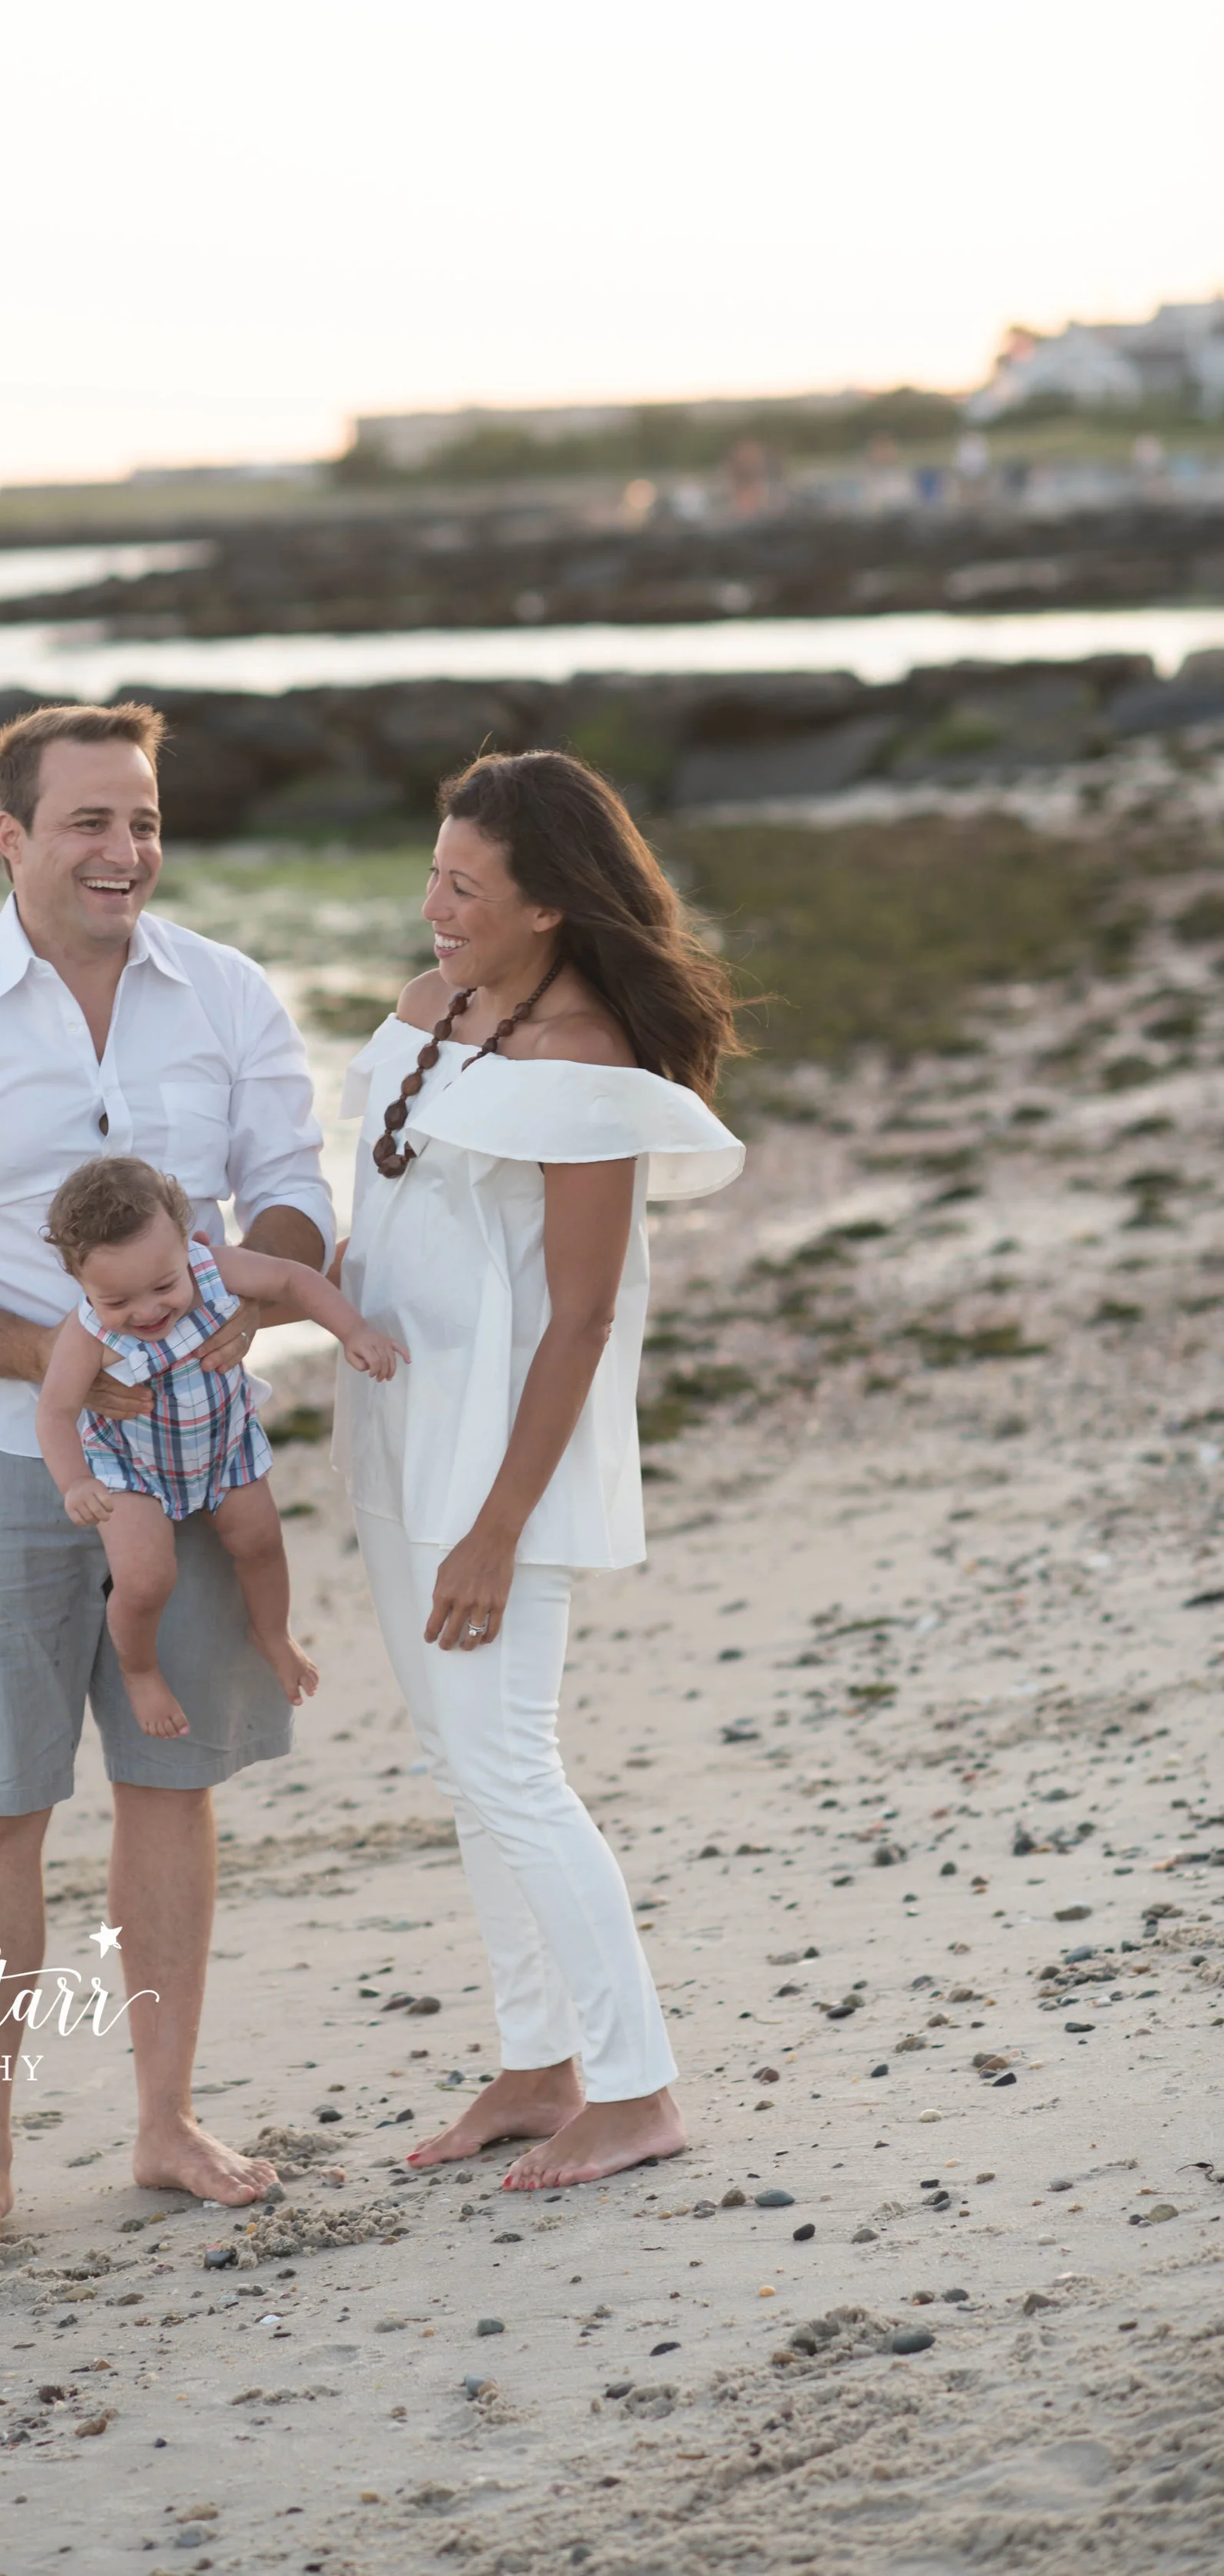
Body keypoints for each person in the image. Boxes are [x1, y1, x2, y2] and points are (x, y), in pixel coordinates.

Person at [0, 702, 335, 2261]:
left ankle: (164, 2122)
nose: (125, 851)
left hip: (190, 1467)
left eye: (142, 820)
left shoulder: (228, 997)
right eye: (89, 823)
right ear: (11, 838)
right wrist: (71, 1366)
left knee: (171, 1789)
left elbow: (296, 1193)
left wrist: (245, 1315)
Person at [332, 749, 745, 2190]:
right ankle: (536, 2063)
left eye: (465, 886)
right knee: (462, 1767)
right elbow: (382, 1228)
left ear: (551, 907)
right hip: (397, 1430)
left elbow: (582, 1316)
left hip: (504, 1464)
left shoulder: (587, 1075)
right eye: (435, 871)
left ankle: (637, 2091)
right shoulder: (432, 1009)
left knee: (511, 1763)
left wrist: (500, 1528)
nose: (433, 904)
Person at [37, 1152, 403, 1737]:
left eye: (163, 1285)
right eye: (119, 1302)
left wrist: (353, 1331)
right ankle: (140, 1669)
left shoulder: (214, 1269)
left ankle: (273, 1630)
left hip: (222, 1441)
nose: (148, 1310)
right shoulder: (86, 1334)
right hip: (133, 1466)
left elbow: (294, 1278)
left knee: (260, 1539)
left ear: (186, 1244)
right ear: (81, 1283)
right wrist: (76, 1481)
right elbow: (55, 1411)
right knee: (147, 1576)